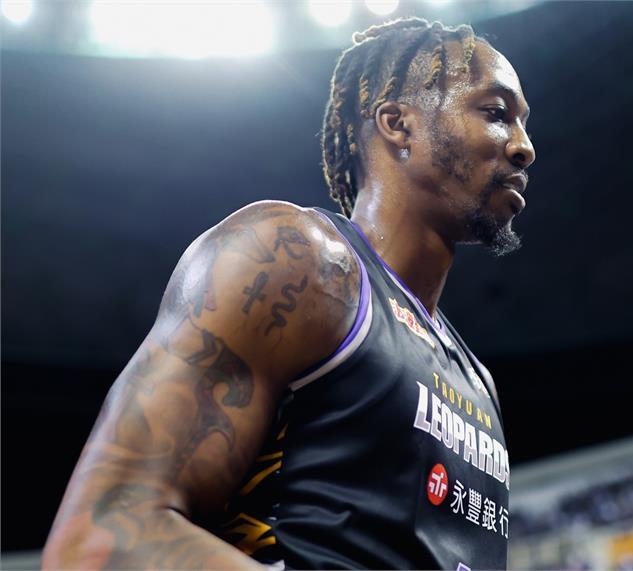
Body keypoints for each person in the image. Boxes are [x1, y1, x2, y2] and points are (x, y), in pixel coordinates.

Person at [42, 17, 535, 570]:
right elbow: (100, 538)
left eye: (523, 123)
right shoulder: (296, 261)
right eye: (496, 114)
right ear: (399, 124)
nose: (525, 148)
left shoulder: (477, 381)